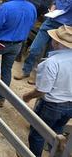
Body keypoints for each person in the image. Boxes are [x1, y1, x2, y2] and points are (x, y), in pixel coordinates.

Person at [22, 25, 72, 157]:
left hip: (53, 105)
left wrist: (27, 96)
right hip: (70, 104)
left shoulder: (51, 62)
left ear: (56, 42)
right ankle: (56, 152)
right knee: (57, 130)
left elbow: (42, 90)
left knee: (37, 134)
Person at [0, 0, 37, 107]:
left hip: (0, 42)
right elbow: (31, 24)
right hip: (17, 45)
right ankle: (1, 98)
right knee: (6, 70)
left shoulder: (6, 7)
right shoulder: (32, 7)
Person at [17, 0, 72, 81]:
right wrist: (52, 9)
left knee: (51, 54)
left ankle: (40, 77)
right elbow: (55, 2)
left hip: (62, 28)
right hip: (50, 21)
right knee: (34, 48)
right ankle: (26, 71)